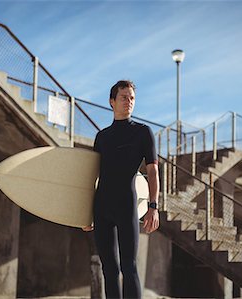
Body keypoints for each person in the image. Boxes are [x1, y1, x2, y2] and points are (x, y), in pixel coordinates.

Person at [82, 80, 160, 299]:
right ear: (112, 101)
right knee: (109, 269)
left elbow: (153, 172)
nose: (129, 102)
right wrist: (84, 212)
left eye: (132, 98)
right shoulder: (102, 137)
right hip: (102, 207)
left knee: (129, 266)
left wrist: (153, 206)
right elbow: (92, 177)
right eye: (124, 97)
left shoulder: (143, 133)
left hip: (127, 206)